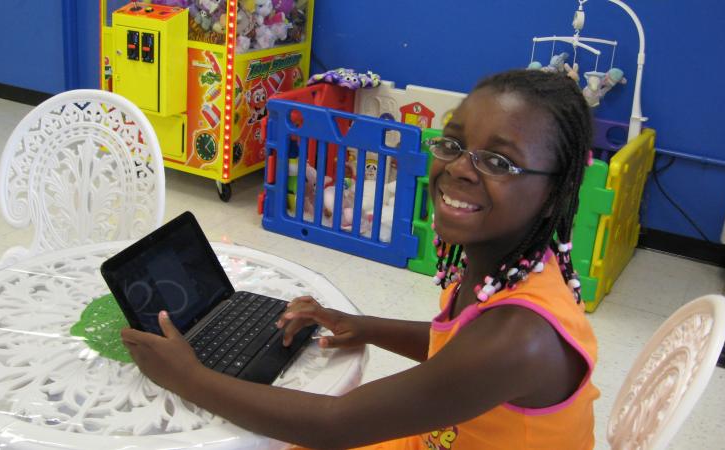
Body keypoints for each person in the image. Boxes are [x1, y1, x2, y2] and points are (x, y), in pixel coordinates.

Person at [121, 69, 600, 450]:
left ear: (554, 193)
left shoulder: (520, 339)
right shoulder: (513, 268)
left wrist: (188, 377)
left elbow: (334, 424)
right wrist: (362, 325)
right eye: (453, 144)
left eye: (497, 162)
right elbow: (454, 349)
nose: (458, 167)